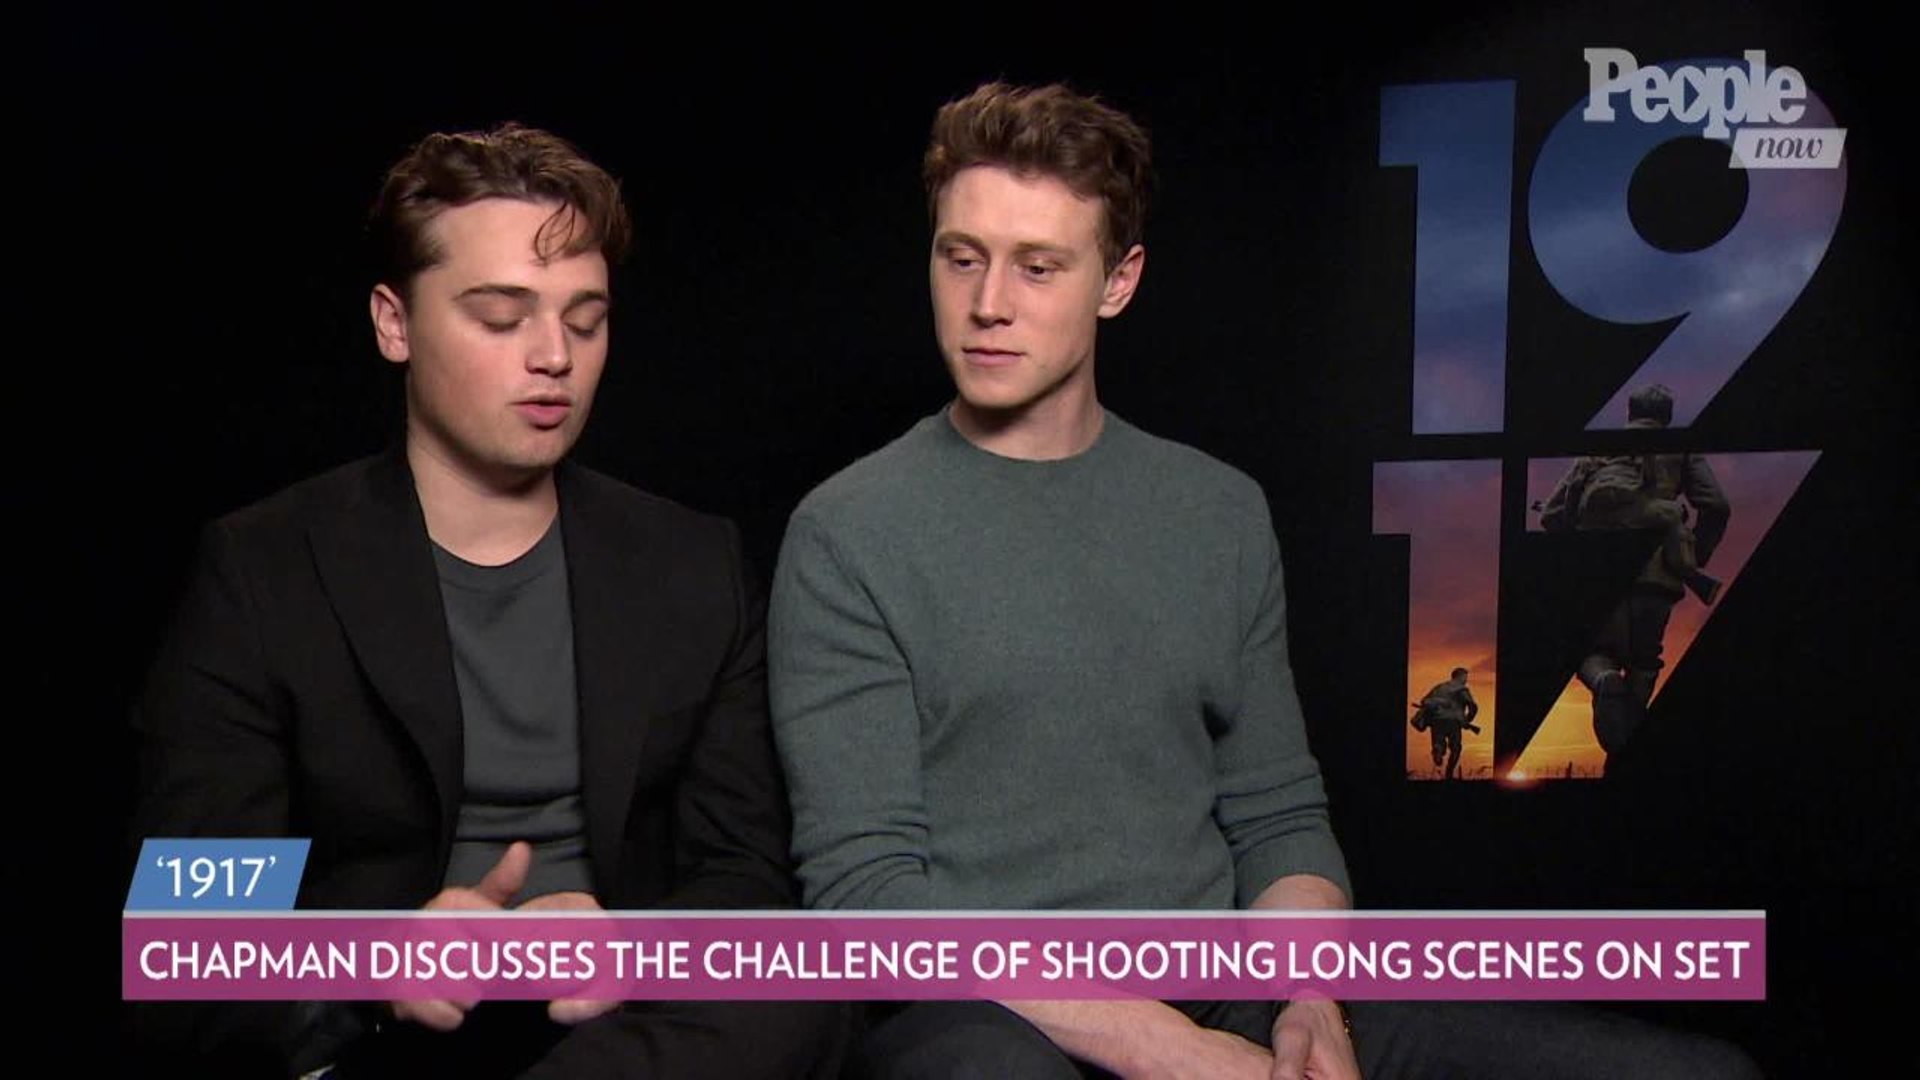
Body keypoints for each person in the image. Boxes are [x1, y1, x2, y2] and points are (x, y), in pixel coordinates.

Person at [768, 82, 1758, 1080]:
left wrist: (1310, 1003)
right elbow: (868, 896)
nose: (988, 303)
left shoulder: (1217, 511)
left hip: (1222, 988)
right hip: (988, 1014)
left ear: (1118, 281)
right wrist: (1162, 1046)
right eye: (961, 258)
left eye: (1038, 266)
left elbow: (1275, 815)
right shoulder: (848, 532)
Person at [129, 123, 842, 1079]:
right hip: (386, 1039)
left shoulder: (690, 564)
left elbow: (746, 882)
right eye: (502, 318)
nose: (553, 356)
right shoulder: (263, 570)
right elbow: (188, 940)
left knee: (806, 996)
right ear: (394, 323)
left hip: (628, 1035)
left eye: (584, 321)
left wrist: (632, 941)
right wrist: (376, 966)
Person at [1539, 385, 1730, 759]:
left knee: (1592, 653)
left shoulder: (1598, 450)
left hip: (1597, 575)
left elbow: (1552, 516)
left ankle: (1604, 681)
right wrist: (1694, 556)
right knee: (1644, 662)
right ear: (1667, 417)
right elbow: (1718, 506)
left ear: (1629, 412)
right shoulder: (1679, 447)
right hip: (1657, 578)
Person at [1411, 667, 1480, 780]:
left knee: (1438, 742)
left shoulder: (1439, 687)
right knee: (1456, 748)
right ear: (1459, 676)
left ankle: (1438, 750)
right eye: (1465, 677)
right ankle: (1449, 772)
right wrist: (1467, 720)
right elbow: (1473, 706)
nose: (1466, 680)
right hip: (1453, 722)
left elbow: (1424, 700)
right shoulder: (1462, 689)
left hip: (1436, 721)